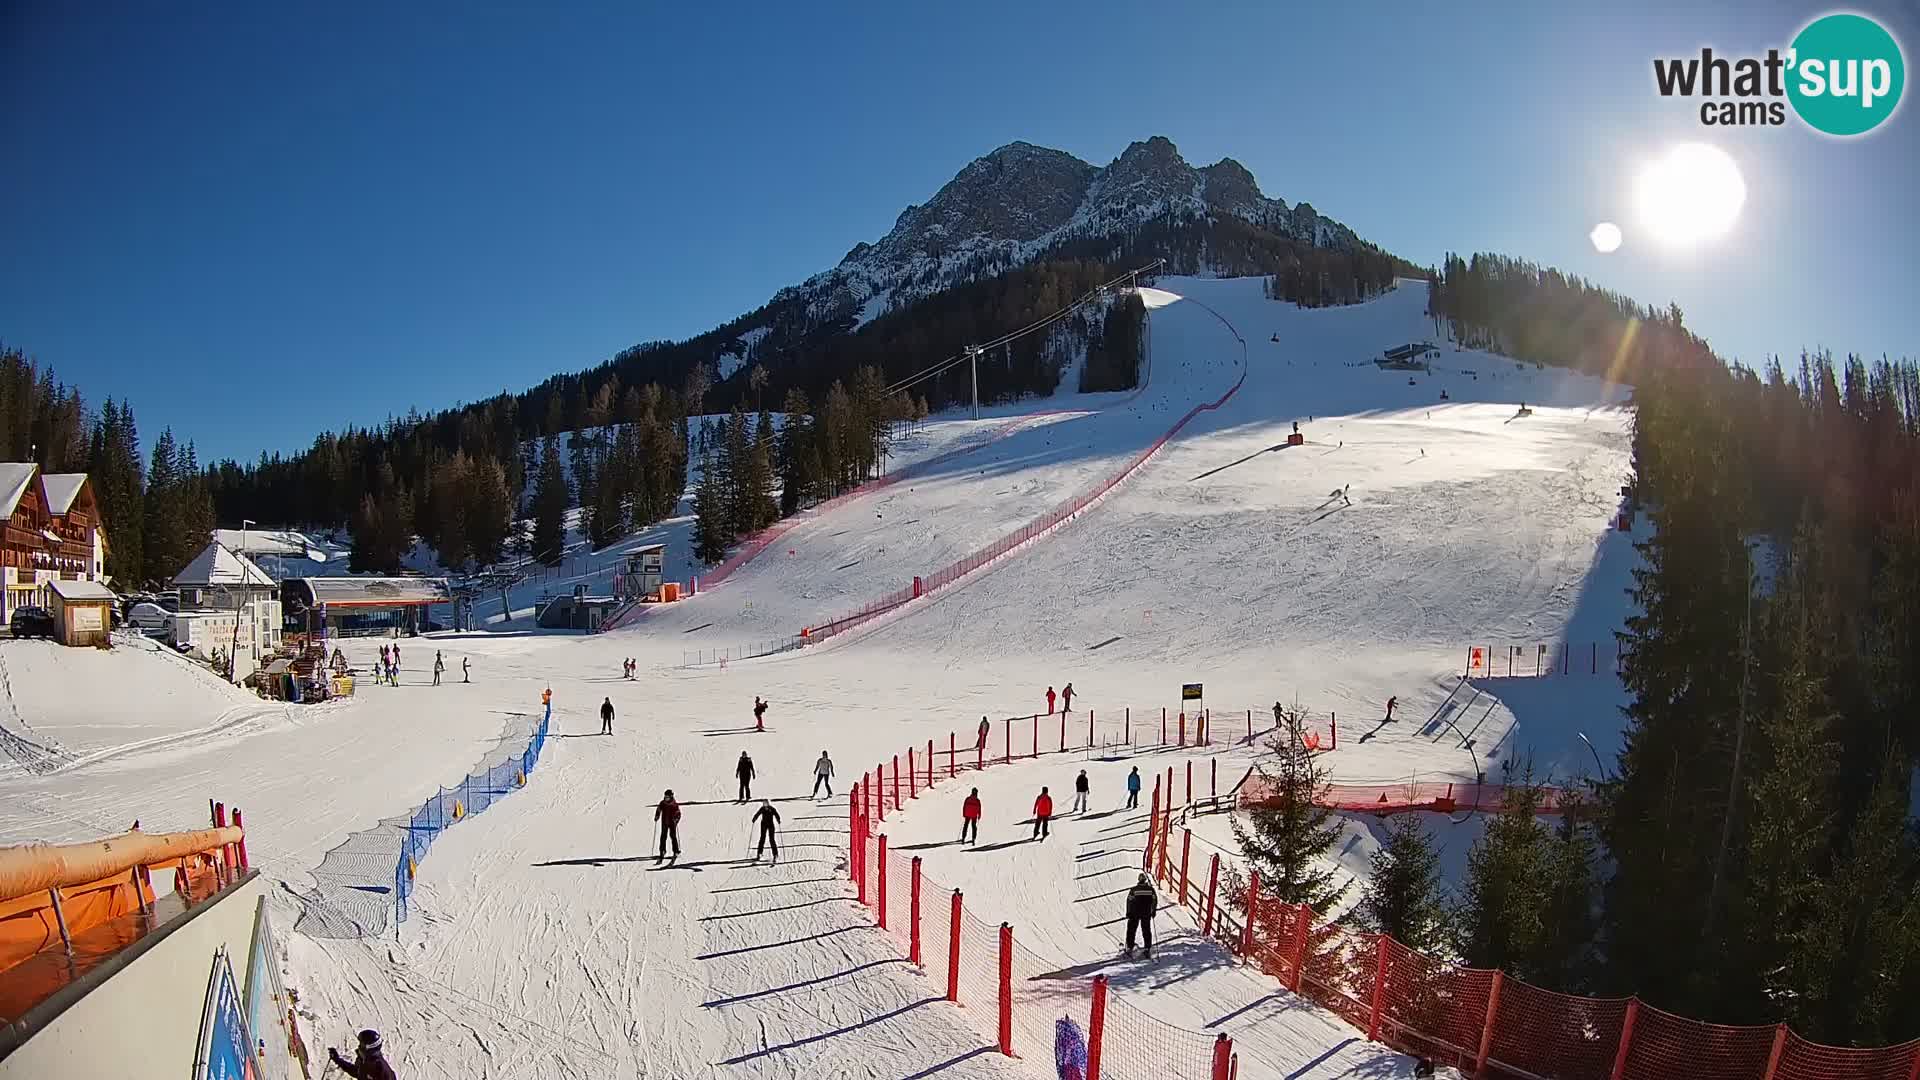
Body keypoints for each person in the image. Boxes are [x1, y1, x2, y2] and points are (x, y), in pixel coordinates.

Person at [329, 1029, 397, 1080]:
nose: (358, 1047)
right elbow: (356, 1072)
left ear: (368, 1048)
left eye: (361, 1045)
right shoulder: (364, 1060)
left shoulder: (381, 1069)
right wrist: (337, 1059)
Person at [1124, 873, 1158, 958]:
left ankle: (1130, 946)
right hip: (1146, 913)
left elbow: (1129, 901)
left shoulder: (1134, 890)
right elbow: (1154, 900)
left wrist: (1128, 912)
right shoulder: (1151, 890)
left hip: (1135, 913)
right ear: (1145, 880)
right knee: (1146, 930)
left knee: (1131, 930)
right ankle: (1147, 947)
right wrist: (1153, 911)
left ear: (1139, 880)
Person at [654, 790, 681, 859]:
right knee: (663, 836)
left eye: (667, 797)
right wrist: (657, 816)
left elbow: (678, 814)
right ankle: (662, 850)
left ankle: (676, 851)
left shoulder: (674, 804)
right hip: (664, 822)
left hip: (672, 823)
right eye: (665, 796)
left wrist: (676, 820)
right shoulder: (662, 803)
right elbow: (658, 809)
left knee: (673, 836)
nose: (666, 798)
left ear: (671, 796)